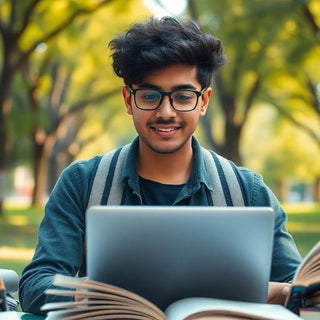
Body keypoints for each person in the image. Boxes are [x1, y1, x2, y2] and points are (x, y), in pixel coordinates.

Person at [19, 16, 302, 315]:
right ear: (128, 100)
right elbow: (36, 285)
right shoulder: (82, 182)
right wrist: (97, 293)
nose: (166, 112)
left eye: (182, 97)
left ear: (203, 101)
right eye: (150, 96)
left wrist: (274, 291)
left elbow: (299, 290)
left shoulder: (248, 191)